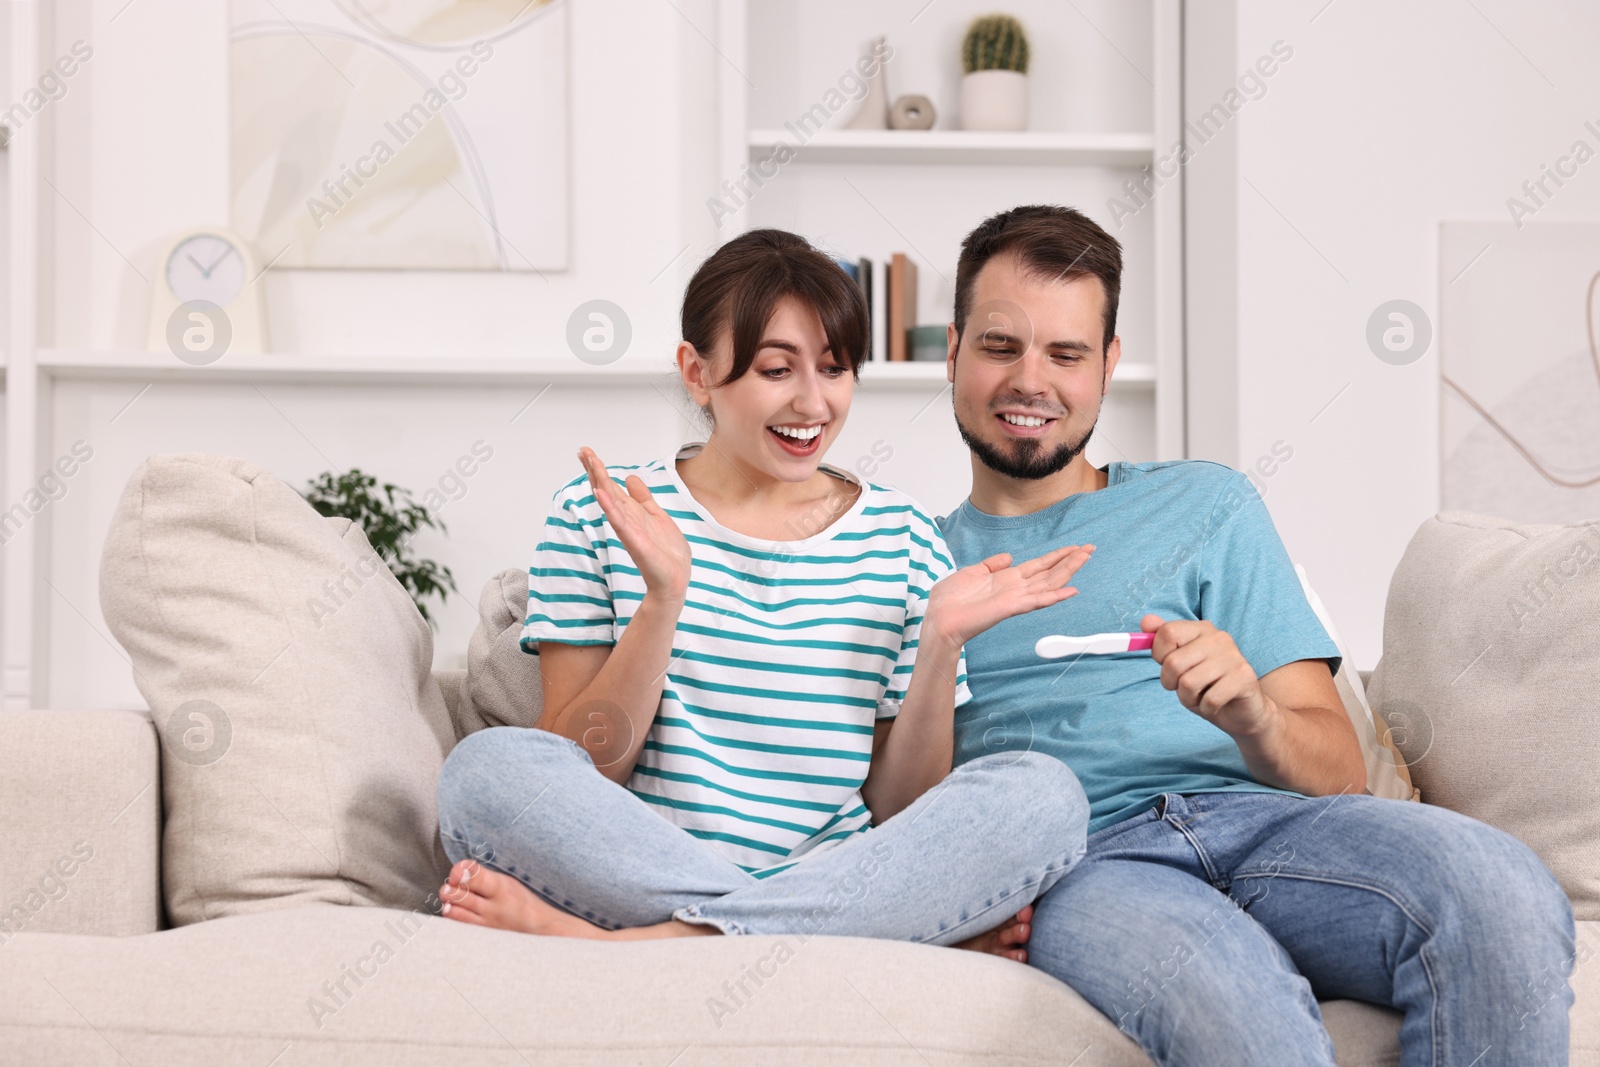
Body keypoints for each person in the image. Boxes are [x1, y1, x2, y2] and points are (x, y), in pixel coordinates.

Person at [934, 204, 1578, 1065]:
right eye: (1001, 346)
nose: (1031, 381)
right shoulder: (914, 561)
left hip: (1276, 830)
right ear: (953, 349)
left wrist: (1254, 715)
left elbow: (1339, 770)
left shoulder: (1208, 503)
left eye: (1067, 352)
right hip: (1091, 869)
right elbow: (884, 805)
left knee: (1500, 889)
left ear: (1109, 365)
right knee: (1232, 1003)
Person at [433, 227, 1093, 956]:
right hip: (647, 863)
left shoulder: (903, 536)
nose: (812, 403)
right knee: (486, 772)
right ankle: (804, 935)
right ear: (697, 373)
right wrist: (662, 601)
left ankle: (663, 942)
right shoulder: (601, 512)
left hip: (837, 870)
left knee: (1044, 795)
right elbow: (586, 767)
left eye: (835, 368)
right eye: (777, 369)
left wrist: (939, 643)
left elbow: (901, 809)